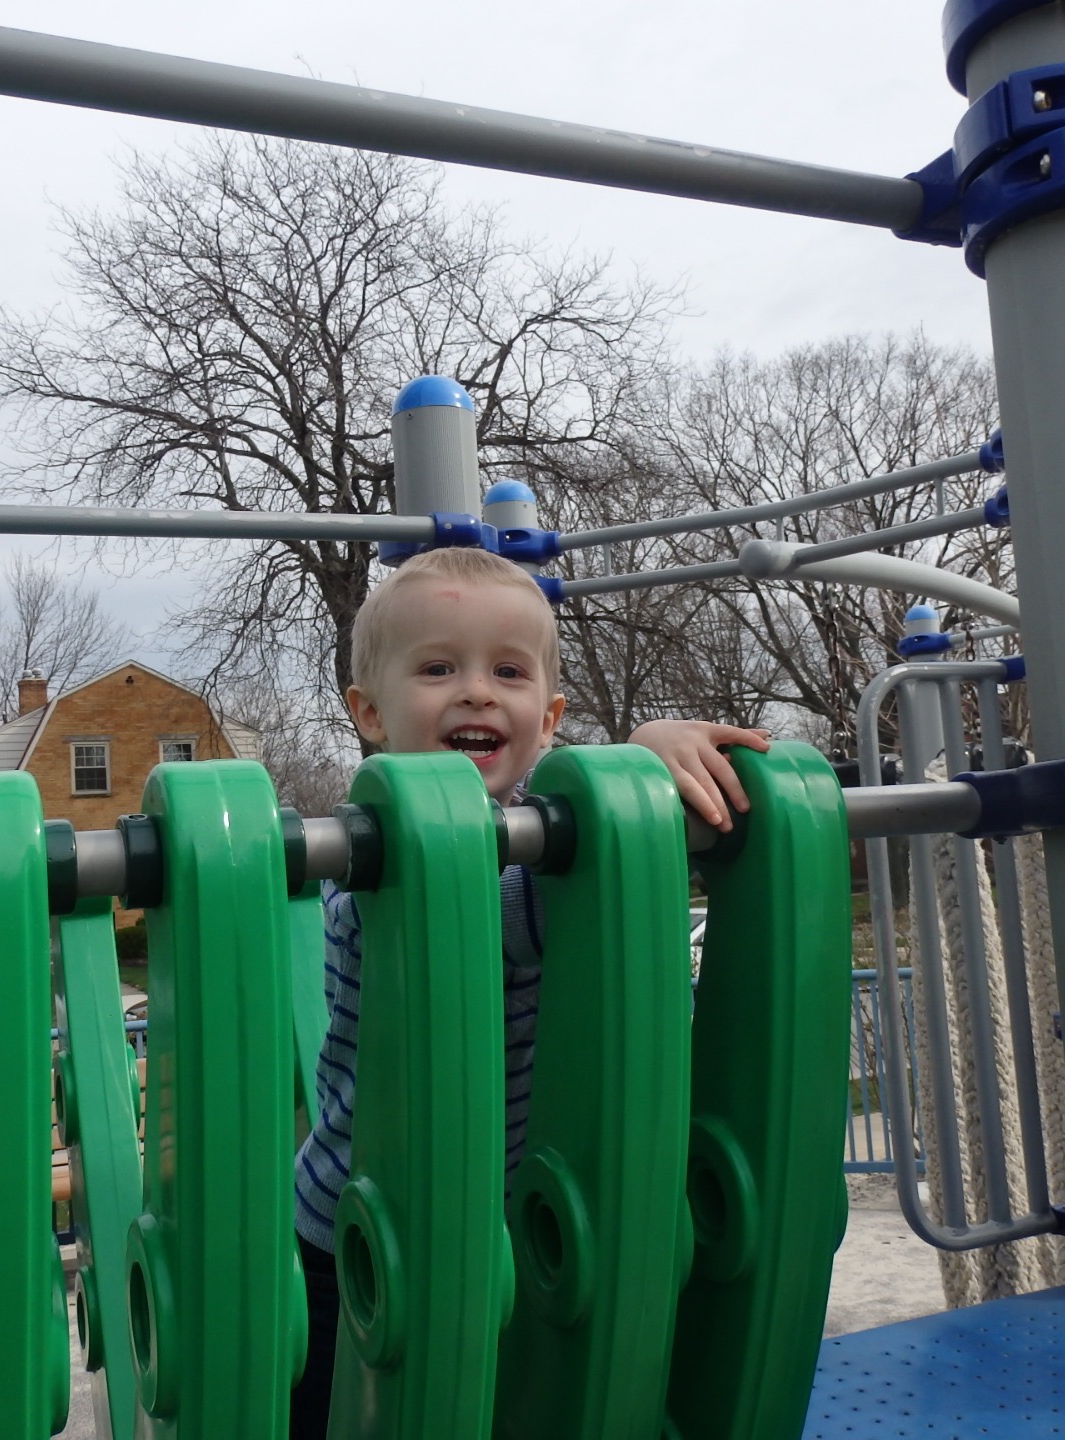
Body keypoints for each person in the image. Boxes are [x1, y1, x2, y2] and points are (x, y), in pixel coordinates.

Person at [289, 545, 766, 1437]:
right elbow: (509, 918)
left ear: (547, 719)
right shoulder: (368, 864)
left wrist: (632, 767)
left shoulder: (537, 837)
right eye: (438, 668)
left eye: (507, 672)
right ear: (371, 716)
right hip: (355, 1226)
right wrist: (630, 766)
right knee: (342, 1411)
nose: (476, 692)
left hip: (498, 1213)